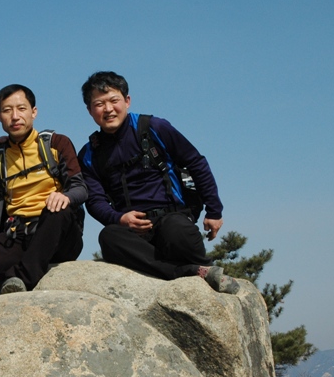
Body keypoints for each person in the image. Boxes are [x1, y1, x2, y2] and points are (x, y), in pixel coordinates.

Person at [77, 71, 239, 294]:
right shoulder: (89, 153)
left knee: (175, 230)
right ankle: (192, 272)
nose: (108, 109)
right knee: (109, 237)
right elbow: (95, 200)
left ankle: (186, 270)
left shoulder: (154, 128)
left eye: (114, 100)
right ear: (89, 110)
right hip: (134, 232)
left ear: (127, 101)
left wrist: (214, 210)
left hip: (173, 219)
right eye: (99, 104)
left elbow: (196, 163)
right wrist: (119, 219)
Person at [0, 84, 87, 319]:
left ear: (34, 111)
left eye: (21, 108)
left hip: (59, 234)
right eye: (7, 110)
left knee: (58, 209)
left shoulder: (56, 143)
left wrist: (65, 196)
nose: (15, 116)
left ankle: (21, 279)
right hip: (18, 235)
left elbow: (80, 188)